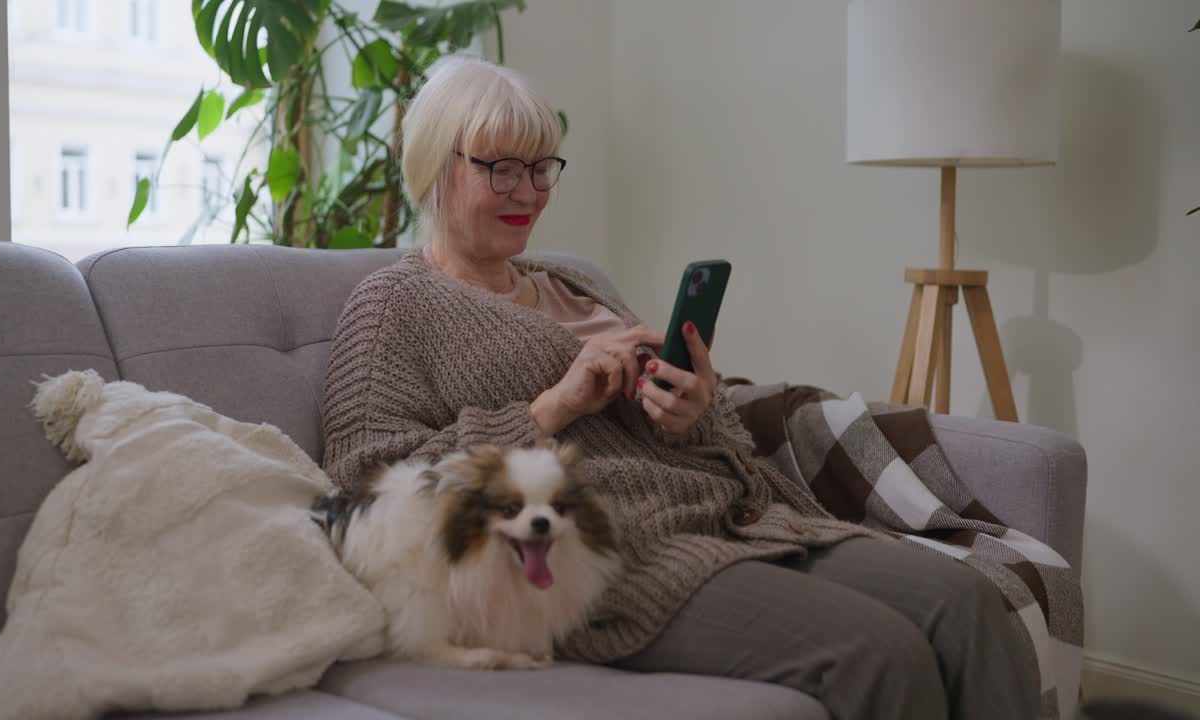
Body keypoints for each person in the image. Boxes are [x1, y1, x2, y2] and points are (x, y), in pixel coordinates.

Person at [320, 56, 1038, 720]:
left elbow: (714, 432)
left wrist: (693, 408)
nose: (529, 193)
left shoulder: (575, 283)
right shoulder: (394, 304)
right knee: (881, 652)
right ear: (433, 168)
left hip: (746, 512)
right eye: (501, 169)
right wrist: (553, 406)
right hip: (617, 553)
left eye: (542, 169)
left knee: (970, 603)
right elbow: (363, 481)